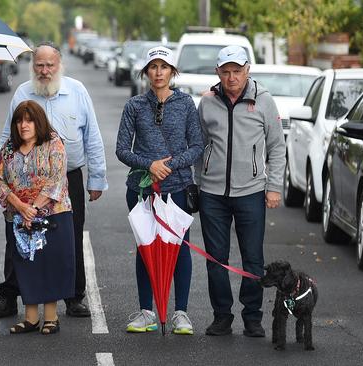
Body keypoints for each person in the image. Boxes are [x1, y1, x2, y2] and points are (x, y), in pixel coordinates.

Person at [0, 42, 107, 318]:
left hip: (67, 180)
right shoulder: (22, 92)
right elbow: (7, 137)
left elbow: (92, 136)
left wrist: (97, 178)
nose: (44, 71)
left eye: (49, 65)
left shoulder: (77, 91)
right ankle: (9, 295)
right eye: (39, 65)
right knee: (17, 238)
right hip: (22, 185)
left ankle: (74, 297)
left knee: (69, 238)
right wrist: (4, 179)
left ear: (59, 65)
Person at [196, 45, 285, 337]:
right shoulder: (207, 102)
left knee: (253, 259)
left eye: (237, 71)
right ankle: (222, 316)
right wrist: (198, 180)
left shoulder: (265, 101)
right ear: (218, 73)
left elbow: (277, 147)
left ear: (248, 70)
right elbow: (198, 146)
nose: (232, 77)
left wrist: (273, 187)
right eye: (226, 72)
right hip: (212, 193)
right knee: (215, 259)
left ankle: (252, 317)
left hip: (251, 192)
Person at [116, 46, 204, 334]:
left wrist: (171, 165)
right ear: (145, 72)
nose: (158, 72)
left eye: (163, 67)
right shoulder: (135, 106)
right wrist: (150, 165)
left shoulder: (186, 104)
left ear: (172, 72)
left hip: (177, 189)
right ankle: (146, 312)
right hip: (141, 191)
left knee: (178, 250)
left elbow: (197, 146)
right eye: (152, 67)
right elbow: (121, 149)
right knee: (145, 249)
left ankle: (181, 313)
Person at [0, 100, 75, 335]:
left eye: (28, 120)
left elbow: (57, 179)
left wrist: (34, 209)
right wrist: (20, 207)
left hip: (52, 215)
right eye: (19, 120)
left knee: (49, 264)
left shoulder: (53, 143)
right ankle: (30, 318)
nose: (23, 125)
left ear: (38, 122)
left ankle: (51, 317)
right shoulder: (9, 148)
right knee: (26, 265)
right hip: (19, 218)